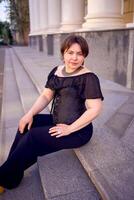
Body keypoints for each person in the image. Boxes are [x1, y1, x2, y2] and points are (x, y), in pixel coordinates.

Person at [0, 34, 104, 193]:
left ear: (84, 57)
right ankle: (10, 173)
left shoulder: (88, 78)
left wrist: (69, 129)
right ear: (63, 53)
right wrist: (29, 113)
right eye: (70, 52)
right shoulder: (57, 71)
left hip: (78, 131)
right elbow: (46, 95)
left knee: (33, 137)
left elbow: (95, 109)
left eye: (79, 54)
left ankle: (4, 176)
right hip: (57, 120)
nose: (74, 58)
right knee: (27, 124)